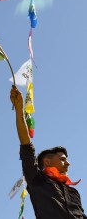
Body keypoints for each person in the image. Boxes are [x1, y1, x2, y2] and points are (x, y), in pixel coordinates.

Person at [10, 86, 87, 218]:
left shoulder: (73, 192)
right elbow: (26, 145)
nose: (68, 163)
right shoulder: (37, 179)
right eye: (62, 159)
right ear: (47, 161)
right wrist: (19, 110)